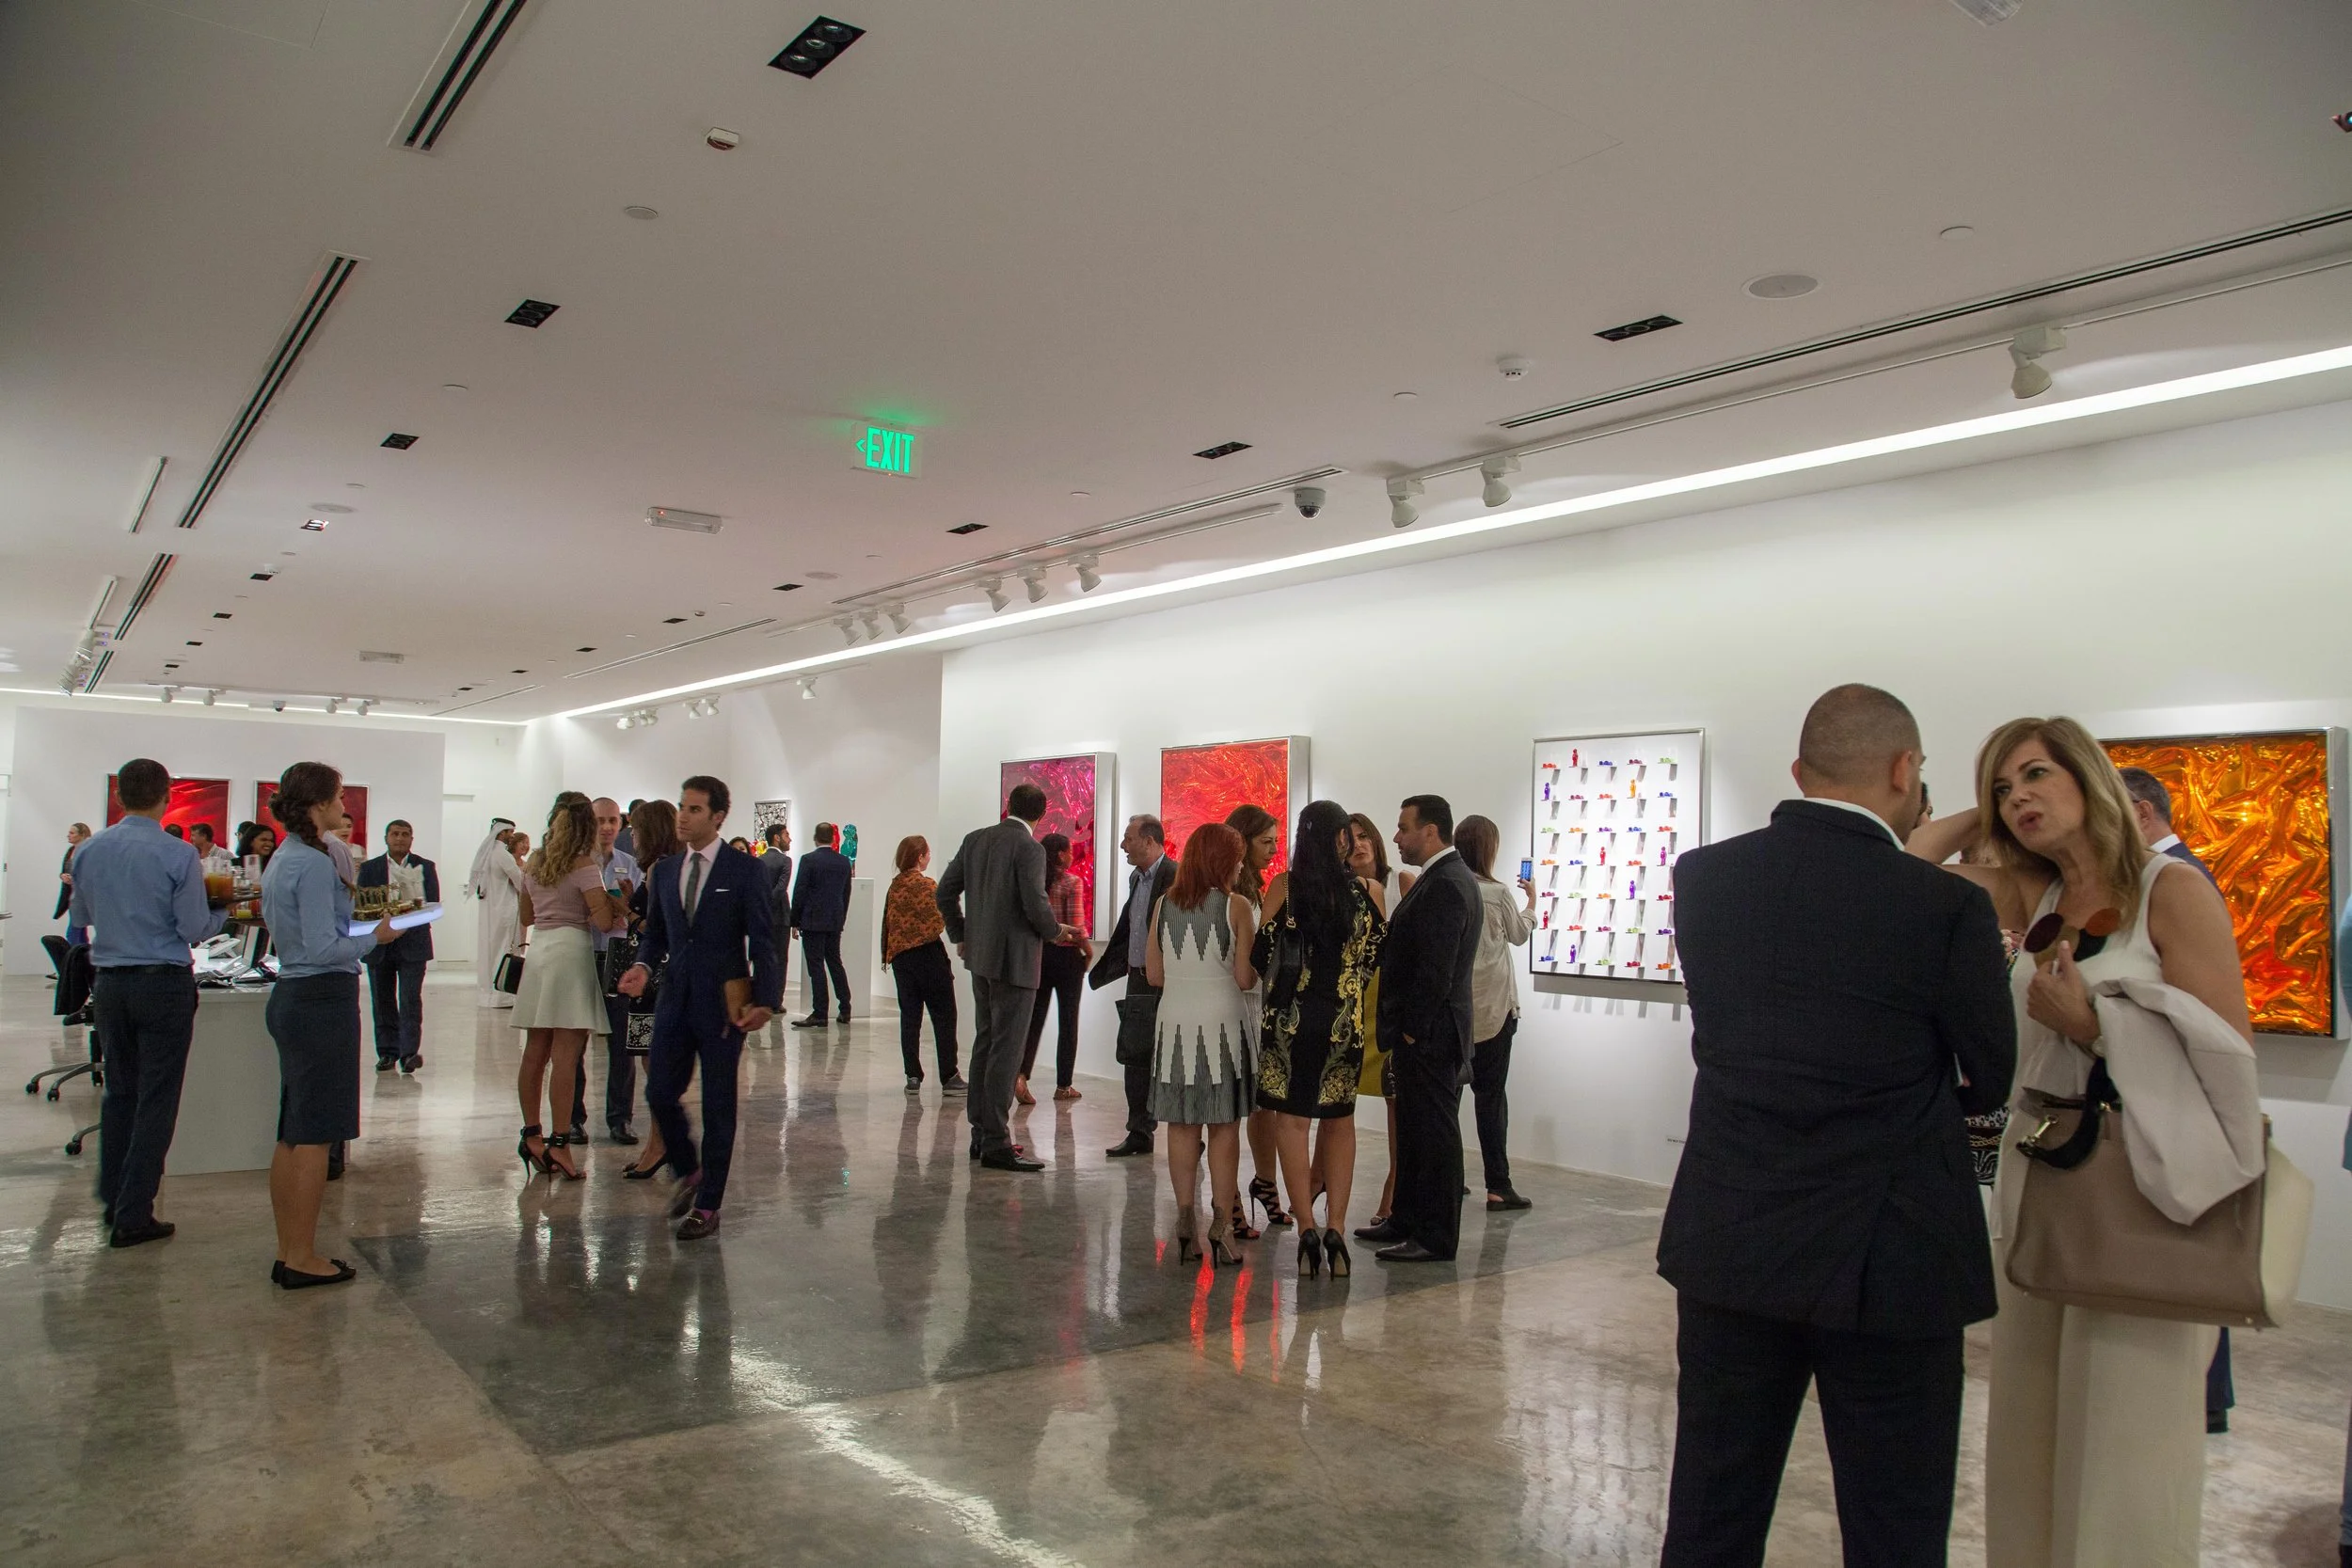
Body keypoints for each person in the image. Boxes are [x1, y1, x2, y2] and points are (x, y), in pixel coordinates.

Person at [1658, 684, 2014, 1568]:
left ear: (1797, 771)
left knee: (1711, 1513)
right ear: (1905, 770)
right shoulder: (1945, 907)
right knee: (1894, 1522)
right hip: (1890, 1250)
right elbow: (1991, 1072)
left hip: (1733, 1236)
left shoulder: (1705, 879)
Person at [1911, 716, 2253, 1568]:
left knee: (2128, 1436)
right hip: (2044, 1183)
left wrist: (2098, 1026)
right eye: (2003, 786)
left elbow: (2227, 1060)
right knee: (2032, 1420)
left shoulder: (2170, 891)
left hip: (2142, 1192)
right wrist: (1986, 812)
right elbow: (1904, 866)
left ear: (2091, 778)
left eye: (2036, 775)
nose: (2018, 795)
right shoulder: (2037, 899)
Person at [69, 760, 228, 1246]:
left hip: (111, 983)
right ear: (165, 797)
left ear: (119, 798)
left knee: (121, 1091)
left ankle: (113, 1196)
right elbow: (192, 929)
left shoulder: (88, 850)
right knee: (158, 1098)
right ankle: (134, 1211)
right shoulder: (177, 854)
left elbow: (80, 914)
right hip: (162, 983)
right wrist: (222, 911)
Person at [617, 776, 781, 1240]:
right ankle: (691, 1171)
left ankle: (708, 1207)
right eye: (681, 808)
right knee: (659, 1094)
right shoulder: (665, 871)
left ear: (718, 817)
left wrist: (765, 1000)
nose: (682, 818)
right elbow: (657, 934)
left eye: (693, 810)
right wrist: (644, 966)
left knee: (719, 1106)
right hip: (673, 998)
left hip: (724, 1005)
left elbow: (763, 941)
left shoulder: (744, 871)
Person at [259, 762, 399, 1289]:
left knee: (294, 1132)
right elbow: (323, 947)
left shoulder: (285, 858)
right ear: (318, 805)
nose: (346, 806)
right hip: (320, 998)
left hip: (296, 996)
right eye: (339, 797)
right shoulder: (313, 865)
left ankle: (289, 1247)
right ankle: (301, 1256)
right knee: (315, 1136)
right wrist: (375, 938)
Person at [1246, 799, 1384, 1278]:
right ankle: (1338, 1229)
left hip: (1289, 1022)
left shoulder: (1284, 888)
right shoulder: (1368, 892)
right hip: (1342, 1024)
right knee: (1340, 1122)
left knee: (1292, 1122)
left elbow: (1260, 957)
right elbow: (1373, 960)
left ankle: (1305, 1224)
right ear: (1342, 838)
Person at [1358, 794, 1482, 1264]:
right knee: (1414, 1129)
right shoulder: (1442, 878)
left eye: (1403, 828)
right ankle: (1406, 1219)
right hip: (1424, 1032)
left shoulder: (1448, 884)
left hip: (1431, 1034)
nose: (1396, 837)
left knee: (1434, 1135)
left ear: (1430, 831)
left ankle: (1434, 1234)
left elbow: (1438, 970)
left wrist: (1412, 1029)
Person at [936, 783, 1068, 1172]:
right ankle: (995, 1140)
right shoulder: (1029, 848)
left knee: (986, 1043)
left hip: (981, 959)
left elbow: (944, 892)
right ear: (1040, 815)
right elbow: (1035, 904)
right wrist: (1057, 932)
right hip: (1017, 962)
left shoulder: (976, 839)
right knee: (1006, 1051)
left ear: (1009, 805)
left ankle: (981, 1134)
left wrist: (961, 935)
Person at [1146, 821, 1257, 1264]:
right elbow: (1245, 978)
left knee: (1180, 1126)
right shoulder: (1236, 906)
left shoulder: (1163, 905)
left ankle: (1185, 1218)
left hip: (1173, 1025)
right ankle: (1222, 1224)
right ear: (1226, 861)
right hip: (1222, 1028)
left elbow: (1154, 976)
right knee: (1225, 1127)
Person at [510, 793, 626, 1181]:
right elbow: (605, 924)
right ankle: (560, 1142)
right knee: (566, 1056)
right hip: (572, 956)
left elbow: (526, 915)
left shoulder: (535, 863)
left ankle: (531, 1135)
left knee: (534, 1053)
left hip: (541, 953)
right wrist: (619, 902)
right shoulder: (584, 866)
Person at [1453, 816, 1537, 1212]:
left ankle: (1450, 1179)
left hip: (1457, 1011)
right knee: (1491, 1100)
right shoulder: (1498, 892)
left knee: (1448, 1101)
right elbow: (1519, 935)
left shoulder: (1450, 888)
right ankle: (1498, 1185)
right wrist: (1533, 902)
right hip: (1496, 1009)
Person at [1091, 815, 1176, 1159]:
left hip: (1169, 979)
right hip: (1139, 976)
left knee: (1170, 1056)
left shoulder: (1174, 876)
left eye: (1128, 838)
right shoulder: (1136, 878)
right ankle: (1140, 1131)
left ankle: (1188, 1133)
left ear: (1151, 840)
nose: (1124, 845)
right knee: (1135, 1054)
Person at [1224, 802, 1286, 1231]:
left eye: (1276, 842)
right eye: (1266, 842)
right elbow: (1247, 962)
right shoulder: (1232, 895)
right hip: (1235, 1004)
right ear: (1241, 842)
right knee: (1228, 1109)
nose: (1273, 850)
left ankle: (1265, 1183)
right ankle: (1228, 1198)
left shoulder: (1259, 888)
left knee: (1266, 1106)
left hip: (1260, 1005)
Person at [1344, 812, 1406, 1225]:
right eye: (1350, 840)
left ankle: (1396, 1184)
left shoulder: (1401, 881)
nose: (1360, 845)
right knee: (1337, 1091)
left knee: (1396, 1098)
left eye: (1365, 836)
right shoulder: (1340, 890)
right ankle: (1320, 1179)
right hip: (1352, 997)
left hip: (1390, 999)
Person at [619, 800, 682, 1180]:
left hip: (656, 978)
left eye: (636, 830)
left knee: (653, 1064)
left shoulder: (661, 869)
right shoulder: (664, 868)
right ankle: (659, 1143)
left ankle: (660, 1145)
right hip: (661, 978)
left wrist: (625, 911)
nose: (633, 836)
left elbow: (656, 930)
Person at [579, 798, 640, 1144]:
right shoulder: (578, 864)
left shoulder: (629, 864)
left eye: (613, 820)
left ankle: (620, 1118)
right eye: (600, 820)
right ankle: (574, 1118)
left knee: (622, 1044)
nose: (607, 827)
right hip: (583, 956)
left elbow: (634, 910)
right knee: (574, 1041)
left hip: (618, 958)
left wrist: (624, 910)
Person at [357, 819, 438, 1074]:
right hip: (379, 943)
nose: (400, 839)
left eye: (405, 834)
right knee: (382, 1000)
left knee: (410, 999)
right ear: (386, 838)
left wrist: (405, 920)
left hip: (413, 942)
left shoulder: (425, 866)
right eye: (395, 834)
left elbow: (433, 904)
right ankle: (387, 1052)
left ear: (412, 839)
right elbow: (362, 905)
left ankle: (409, 1052)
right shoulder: (370, 868)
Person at [882, 835, 962, 1094]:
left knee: (910, 1017)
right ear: (920, 857)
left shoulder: (895, 887)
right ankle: (949, 1075)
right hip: (929, 957)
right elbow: (939, 920)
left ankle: (912, 1075)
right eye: (927, 853)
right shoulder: (927, 886)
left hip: (902, 960)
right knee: (944, 1015)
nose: (929, 857)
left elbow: (889, 923)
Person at [1018, 832, 1091, 1105]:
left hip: (1041, 954)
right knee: (1068, 1020)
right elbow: (1075, 927)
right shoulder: (1071, 882)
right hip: (1067, 957)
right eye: (1070, 850)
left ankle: (1021, 1075)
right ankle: (1063, 1086)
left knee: (1034, 1019)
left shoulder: (1038, 883)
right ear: (1061, 854)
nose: (1073, 854)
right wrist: (1088, 950)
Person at [789, 822, 855, 1027]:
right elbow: (846, 893)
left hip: (813, 920)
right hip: (834, 920)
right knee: (835, 963)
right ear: (833, 839)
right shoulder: (844, 862)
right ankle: (845, 1008)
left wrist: (794, 921)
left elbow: (800, 892)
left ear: (815, 838)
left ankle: (820, 1012)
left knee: (816, 966)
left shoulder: (809, 860)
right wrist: (841, 917)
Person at [467, 817, 522, 1009]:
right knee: (504, 950)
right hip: (504, 910)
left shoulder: (488, 854)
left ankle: (488, 994)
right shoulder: (502, 854)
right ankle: (501, 996)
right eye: (510, 833)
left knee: (489, 950)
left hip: (490, 911)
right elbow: (520, 881)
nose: (512, 837)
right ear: (502, 833)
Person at [757, 822, 794, 1031]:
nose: (790, 839)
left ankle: (761, 996)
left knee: (762, 957)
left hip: (763, 917)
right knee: (780, 959)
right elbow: (781, 888)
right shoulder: (785, 861)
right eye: (786, 835)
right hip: (779, 917)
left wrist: (761, 907)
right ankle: (775, 1001)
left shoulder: (760, 861)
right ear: (776, 838)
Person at [57, 820, 92, 946]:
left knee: (75, 931)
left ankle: (77, 957)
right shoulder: (71, 850)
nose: (68, 835)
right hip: (71, 894)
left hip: (82, 896)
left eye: (72, 833)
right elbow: (64, 870)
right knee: (78, 931)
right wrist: (63, 876)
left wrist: (76, 879)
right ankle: (81, 957)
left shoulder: (89, 851)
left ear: (82, 835)